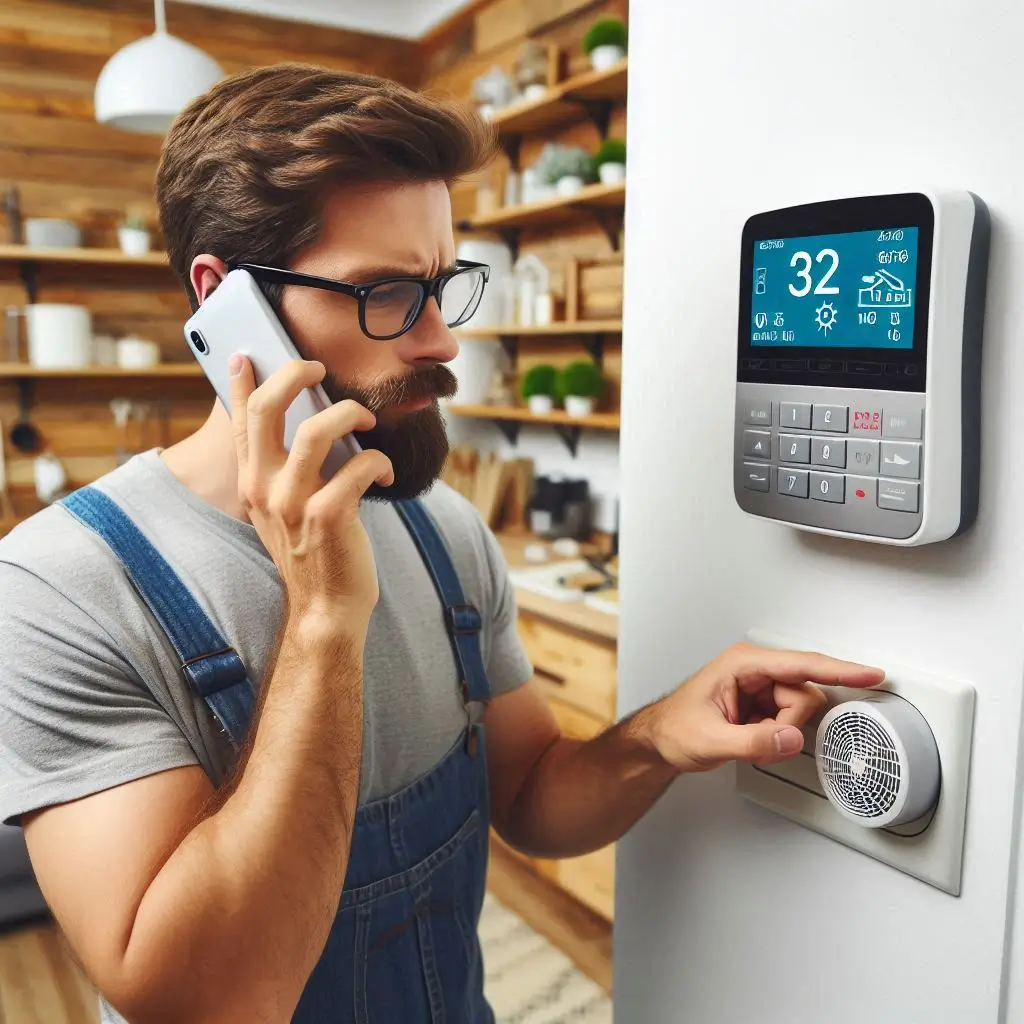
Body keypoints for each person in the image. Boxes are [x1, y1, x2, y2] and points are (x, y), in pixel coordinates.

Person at [0, 63, 884, 1024]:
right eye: (383, 292)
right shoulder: (62, 589)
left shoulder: (445, 531)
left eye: (438, 285)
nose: (440, 341)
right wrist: (324, 621)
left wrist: (657, 738)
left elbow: (534, 797)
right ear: (222, 301)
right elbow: (213, 1001)